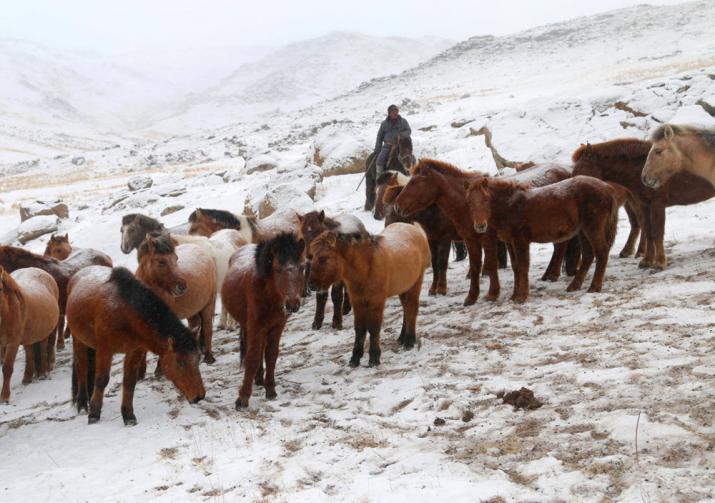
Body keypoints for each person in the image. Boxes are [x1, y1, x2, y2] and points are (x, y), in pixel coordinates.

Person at [374, 104, 411, 177]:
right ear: (389, 113)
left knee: (411, 158)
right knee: (380, 160)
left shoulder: (403, 121)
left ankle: (411, 176)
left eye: (396, 111)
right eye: (393, 112)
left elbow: (408, 131)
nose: (395, 113)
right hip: (388, 146)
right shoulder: (384, 123)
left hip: (400, 146)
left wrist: (401, 135)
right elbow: (380, 136)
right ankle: (379, 178)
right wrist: (377, 148)